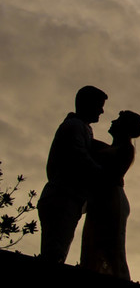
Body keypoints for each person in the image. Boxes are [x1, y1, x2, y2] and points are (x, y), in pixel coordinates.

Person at [37, 85, 107, 263]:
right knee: (54, 251)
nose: (102, 110)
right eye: (99, 105)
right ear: (87, 104)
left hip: (69, 197)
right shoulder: (74, 126)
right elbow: (79, 157)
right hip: (62, 196)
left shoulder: (81, 127)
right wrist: (104, 175)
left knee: (58, 248)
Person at [80, 110, 140, 279]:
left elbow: (107, 172)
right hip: (104, 199)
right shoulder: (112, 148)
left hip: (111, 201)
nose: (113, 121)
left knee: (110, 245)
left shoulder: (125, 150)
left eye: (119, 120)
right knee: (94, 243)